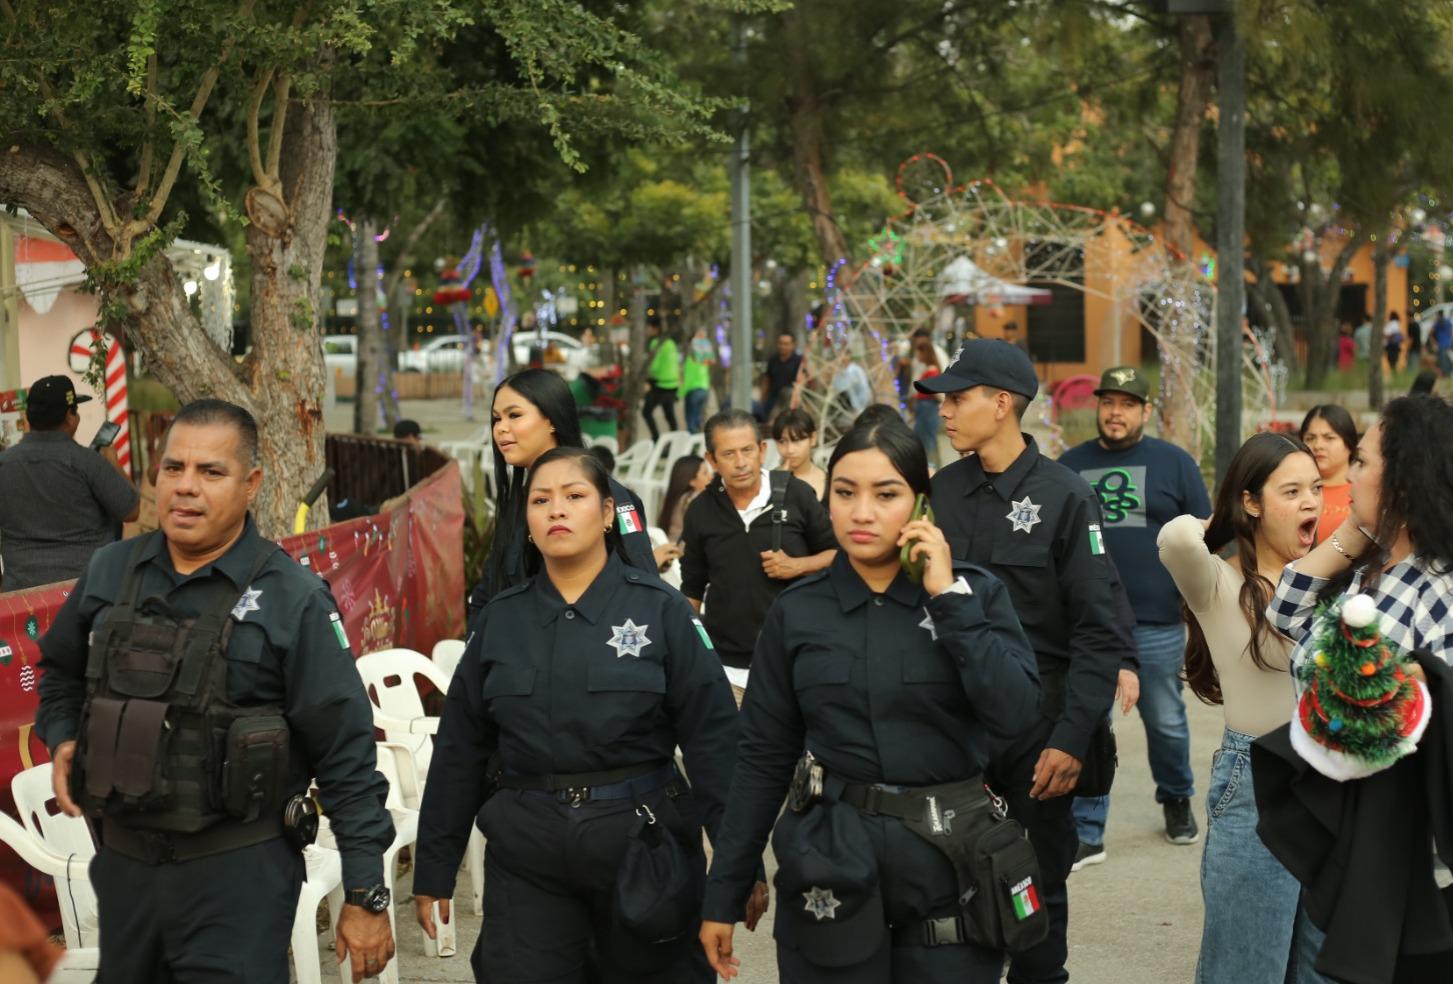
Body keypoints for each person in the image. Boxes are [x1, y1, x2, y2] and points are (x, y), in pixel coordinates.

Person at [35, 399, 396, 984]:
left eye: (211, 472)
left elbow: (346, 755)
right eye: (174, 468)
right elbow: (59, 673)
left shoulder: (294, 598)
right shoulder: (109, 571)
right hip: (126, 869)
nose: (185, 488)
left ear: (251, 483)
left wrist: (365, 893)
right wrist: (63, 738)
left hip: (240, 877)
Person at [699, 421, 1041, 983]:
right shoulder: (797, 612)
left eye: (886, 495)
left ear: (920, 502)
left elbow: (1017, 716)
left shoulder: (972, 594)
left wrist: (949, 599)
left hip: (952, 860)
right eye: (845, 492)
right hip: (831, 860)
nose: (862, 513)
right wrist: (725, 890)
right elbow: (762, 757)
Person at [413, 447, 743, 982]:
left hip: (642, 845)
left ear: (608, 513)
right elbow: (461, 750)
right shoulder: (501, 621)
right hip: (528, 854)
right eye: (541, 500)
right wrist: (434, 869)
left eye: (574, 496)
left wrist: (737, 868)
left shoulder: (660, 612)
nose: (556, 510)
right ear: (526, 520)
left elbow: (715, 744)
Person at [917, 338, 1130, 984]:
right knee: (944, 903)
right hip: (951, 734)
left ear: (1001, 404)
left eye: (957, 399)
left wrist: (1068, 741)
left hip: (1036, 740)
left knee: (1035, 909)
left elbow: (1097, 632)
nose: (943, 413)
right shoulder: (940, 493)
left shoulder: (1064, 497)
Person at [1157, 433, 1329, 984]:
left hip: (1334, 783)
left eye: (1317, 488)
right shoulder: (1220, 583)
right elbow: (1177, 538)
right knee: (1247, 969)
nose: (1312, 502)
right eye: (1292, 490)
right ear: (1251, 502)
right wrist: (1229, 516)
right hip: (1256, 784)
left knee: (1324, 968)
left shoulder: (1329, 581)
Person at [1059, 366, 1211, 866]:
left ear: (1145, 411)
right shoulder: (1069, 465)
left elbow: (1206, 532)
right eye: (1107, 402)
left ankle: (1175, 799)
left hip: (1156, 621)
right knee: (1088, 721)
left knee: (1165, 720)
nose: (1115, 412)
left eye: (1126, 403)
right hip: (1087, 623)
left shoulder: (1175, 463)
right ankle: (1087, 828)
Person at [466, 369, 657, 620]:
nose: (501, 428)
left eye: (514, 415)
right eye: (496, 419)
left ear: (552, 420)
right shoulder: (518, 501)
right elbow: (489, 592)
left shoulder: (611, 498)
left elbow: (644, 589)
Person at [680, 410, 836, 699]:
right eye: (728, 454)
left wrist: (798, 565)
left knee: (791, 745)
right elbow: (692, 587)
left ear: (763, 451)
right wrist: (685, 651)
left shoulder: (796, 494)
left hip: (795, 657)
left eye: (747, 450)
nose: (740, 463)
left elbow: (840, 554)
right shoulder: (701, 510)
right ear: (711, 460)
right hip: (726, 667)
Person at [0, 375, 139, 591]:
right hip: (85, 591)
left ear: (28, 417)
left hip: (21, 594)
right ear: (70, 417)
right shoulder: (87, 461)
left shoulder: (4, 464)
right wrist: (114, 463)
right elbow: (131, 510)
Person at [1298, 404, 1358, 545]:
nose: (1318, 445)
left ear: (1349, 444)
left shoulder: (1365, 492)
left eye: (1329, 438)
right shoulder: (1291, 492)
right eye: (1310, 438)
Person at [908, 328, 945, 468]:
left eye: (919, 351)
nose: (917, 354)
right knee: (925, 439)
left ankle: (931, 468)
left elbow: (935, 392)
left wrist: (942, 402)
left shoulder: (932, 370)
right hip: (924, 407)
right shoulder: (928, 368)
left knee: (927, 440)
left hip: (928, 408)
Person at [771, 407, 826, 500]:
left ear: (813, 438)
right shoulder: (766, 482)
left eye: (797, 440)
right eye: (782, 441)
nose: (790, 450)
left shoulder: (829, 481)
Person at [658, 453, 712, 543]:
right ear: (692, 481)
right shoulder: (693, 499)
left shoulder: (678, 499)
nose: (710, 477)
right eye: (705, 473)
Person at [642, 323, 681, 442]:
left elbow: (655, 365)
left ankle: (656, 439)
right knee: (670, 414)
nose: (647, 329)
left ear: (655, 328)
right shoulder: (671, 343)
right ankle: (676, 440)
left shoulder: (656, 343)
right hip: (672, 384)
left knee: (646, 412)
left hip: (660, 384)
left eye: (648, 327)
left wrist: (647, 376)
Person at [757, 331, 802, 421]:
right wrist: (761, 399)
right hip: (773, 398)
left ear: (793, 345)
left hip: (790, 399)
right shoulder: (773, 360)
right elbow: (767, 380)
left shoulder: (799, 361)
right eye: (780, 343)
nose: (782, 346)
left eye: (786, 344)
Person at [683, 328, 715, 434]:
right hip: (704, 391)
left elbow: (687, 380)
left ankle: (693, 446)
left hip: (693, 392)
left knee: (691, 423)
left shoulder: (690, 361)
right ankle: (699, 442)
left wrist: (679, 393)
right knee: (698, 420)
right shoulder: (704, 361)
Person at [1431, 308, 1453, 377]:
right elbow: (1451, 333)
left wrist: (1434, 342)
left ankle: (1445, 374)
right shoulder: (1448, 322)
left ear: (1438, 315)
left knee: (1442, 360)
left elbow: (1431, 333)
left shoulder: (1437, 323)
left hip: (1441, 344)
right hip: (1448, 343)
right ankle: (1448, 373)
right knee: (1448, 359)